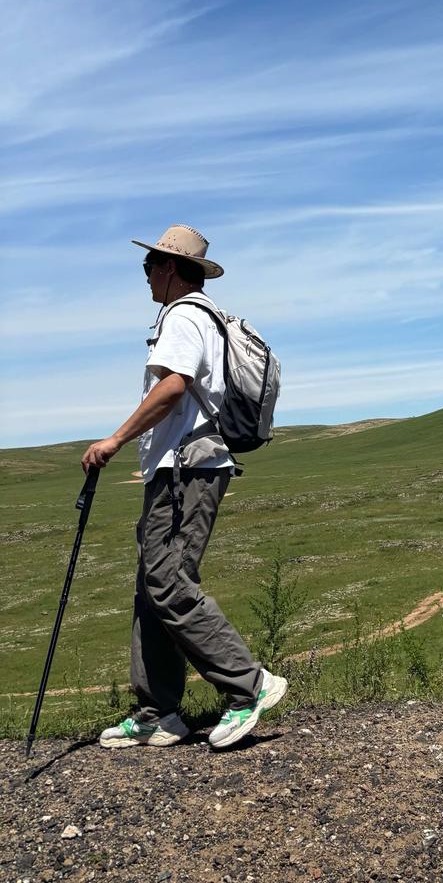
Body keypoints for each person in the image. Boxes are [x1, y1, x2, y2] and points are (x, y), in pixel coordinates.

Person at [81, 224, 286, 750]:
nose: (146, 274)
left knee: (168, 584)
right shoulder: (202, 316)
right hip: (180, 468)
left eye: (150, 265)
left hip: (187, 471)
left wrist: (116, 439)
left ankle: (249, 686)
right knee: (153, 588)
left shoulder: (184, 315)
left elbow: (174, 386)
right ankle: (159, 711)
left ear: (171, 267)